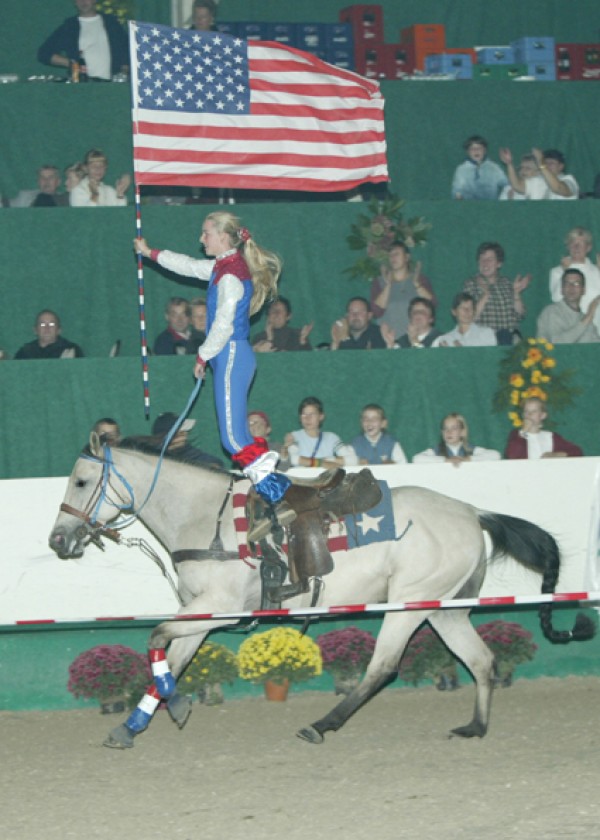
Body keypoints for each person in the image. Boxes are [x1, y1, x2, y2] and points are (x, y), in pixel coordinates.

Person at [133, 211, 292, 505]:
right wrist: (150, 252)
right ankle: (271, 490)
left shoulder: (231, 274)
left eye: (206, 233)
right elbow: (188, 266)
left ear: (223, 237)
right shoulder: (223, 267)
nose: (201, 238)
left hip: (230, 353)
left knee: (232, 439)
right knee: (238, 436)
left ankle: (276, 493)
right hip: (228, 355)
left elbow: (223, 324)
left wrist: (203, 355)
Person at [37, 0, 129, 81]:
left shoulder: (112, 24)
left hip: (111, 86)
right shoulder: (70, 26)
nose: (83, 1)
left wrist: (124, 74)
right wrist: (72, 64)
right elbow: (44, 53)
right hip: (80, 86)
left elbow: (127, 52)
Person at [462, 242, 530, 345]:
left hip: (509, 339)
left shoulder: (507, 283)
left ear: (499, 263)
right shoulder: (471, 284)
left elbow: (519, 315)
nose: (485, 263)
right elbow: (468, 317)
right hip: (482, 340)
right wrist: (486, 294)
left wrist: (516, 293)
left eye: (489, 259)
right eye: (482, 259)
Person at [369, 241, 436, 340]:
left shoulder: (420, 279)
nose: (393, 258)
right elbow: (376, 311)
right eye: (390, 255)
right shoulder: (379, 282)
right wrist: (388, 285)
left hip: (417, 340)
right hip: (389, 341)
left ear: (407, 257)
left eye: (396, 254)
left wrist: (417, 284)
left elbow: (432, 305)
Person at [548, 227, 600, 331]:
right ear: (568, 247)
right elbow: (556, 298)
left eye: (581, 243)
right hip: (569, 333)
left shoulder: (597, 271)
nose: (576, 247)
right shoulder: (557, 272)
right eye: (572, 243)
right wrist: (565, 271)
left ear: (588, 247)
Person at [284, 396, 358, 468]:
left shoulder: (331, 438)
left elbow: (353, 460)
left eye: (312, 414)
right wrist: (322, 463)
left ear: (321, 416)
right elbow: (291, 459)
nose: (307, 418)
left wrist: (327, 460)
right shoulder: (294, 436)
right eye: (304, 414)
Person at [504, 398, 583, 459]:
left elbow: (577, 452)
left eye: (534, 411)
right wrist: (524, 431)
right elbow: (512, 455)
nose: (529, 414)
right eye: (526, 411)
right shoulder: (517, 436)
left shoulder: (551, 437)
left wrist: (555, 455)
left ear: (542, 415)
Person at [413, 413, 501, 467]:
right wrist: (446, 460)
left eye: (454, 428)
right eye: (445, 428)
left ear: (462, 431)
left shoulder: (470, 449)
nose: (449, 432)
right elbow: (416, 459)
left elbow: (496, 455)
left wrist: (466, 459)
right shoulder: (437, 450)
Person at [537, 269, 600, 344]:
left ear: (583, 290)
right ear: (562, 290)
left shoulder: (587, 321)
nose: (571, 287)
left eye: (576, 284)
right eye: (567, 284)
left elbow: (595, 348)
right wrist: (589, 315)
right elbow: (558, 344)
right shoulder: (551, 312)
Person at [499, 147, 578, 200]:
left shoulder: (569, 180)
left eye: (552, 163)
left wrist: (542, 165)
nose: (548, 165)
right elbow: (517, 185)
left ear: (561, 166)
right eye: (545, 162)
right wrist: (509, 163)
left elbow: (558, 188)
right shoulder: (538, 181)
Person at [150, 413, 223, 469]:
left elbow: (215, 463)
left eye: (185, 430)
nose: (185, 434)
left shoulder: (187, 450)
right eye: (180, 431)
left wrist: (212, 467)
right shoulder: (153, 454)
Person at [451, 135, 508, 200]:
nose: (476, 151)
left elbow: (506, 185)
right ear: (467, 152)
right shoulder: (461, 169)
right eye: (472, 149)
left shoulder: (494, 167)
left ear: (485, 150)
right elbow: (457, 192)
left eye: (479, 148)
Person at [433, 292, 497, 347]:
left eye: (470, 308)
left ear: (474, 311)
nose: (467, 311)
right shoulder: (445, 339)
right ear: (454, 312)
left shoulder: (486, 333)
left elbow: (491, 359)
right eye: (462, 308)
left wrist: (462, 352)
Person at [14, 309, 84, 359]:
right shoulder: (25, 353)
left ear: (59, 330)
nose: (47, 328)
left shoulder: (72, 350)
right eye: (42, 324)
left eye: (52, 324)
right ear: (35, 330)